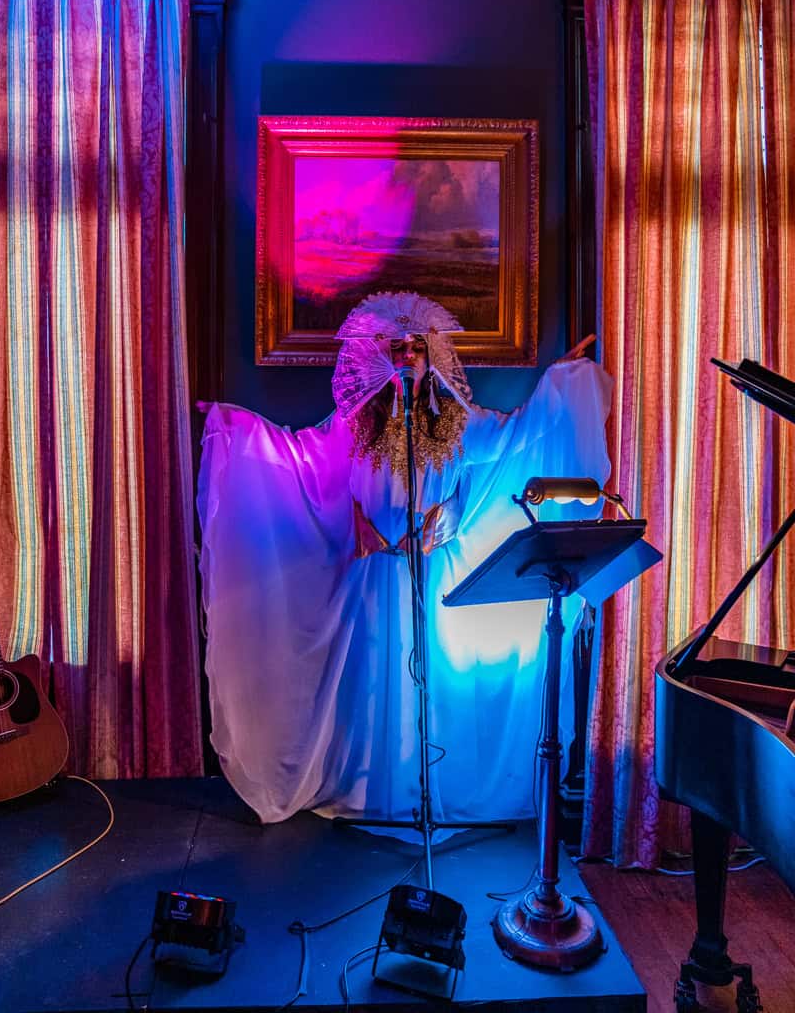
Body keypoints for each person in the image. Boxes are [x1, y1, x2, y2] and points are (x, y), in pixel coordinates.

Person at [197, 291, 612, 830]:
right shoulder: (353, 428)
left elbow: (522, 433)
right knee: (371, 684)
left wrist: (563, 379)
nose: (406, 356)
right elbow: (298, 456)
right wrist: (236, 428)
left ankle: (423, 791)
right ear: (376, 355)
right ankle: (373, 792)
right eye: (396, 347)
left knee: (427, 682)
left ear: (431, 355)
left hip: (434, 575)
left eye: (416, 347)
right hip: (373, 578)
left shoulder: (458, 426)